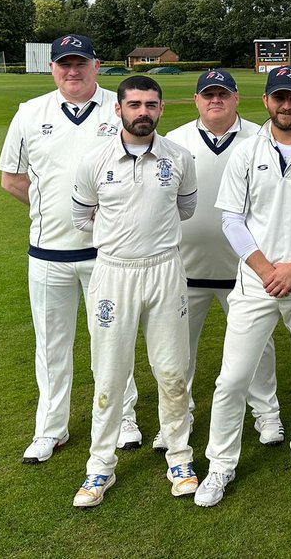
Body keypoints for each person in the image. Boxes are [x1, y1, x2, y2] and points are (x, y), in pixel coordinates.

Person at [194, 66, 291, 507]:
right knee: (232, 379)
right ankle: (220, 464)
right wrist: (266, 270)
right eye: (278, 97)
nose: (286, 105)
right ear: (265, 101)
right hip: (255, 283)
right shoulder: (247, 152)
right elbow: (232, 219)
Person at [0, 34, 140, 465]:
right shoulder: (29, 113)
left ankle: (123, 417)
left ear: (96, 65)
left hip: (107, 255)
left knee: (111, 340)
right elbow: (11, 179)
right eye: (64, 64)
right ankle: (50, 428)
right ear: (52, 68)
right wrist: (53, 209)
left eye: (80, 63)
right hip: (47, 255)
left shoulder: (120, 108)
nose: (72, 71)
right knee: (51, 346)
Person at [69, 75, 199, 508]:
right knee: (109, 373)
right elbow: (82, 217)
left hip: (164, 271)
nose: (143, 112)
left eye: (151, 105)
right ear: (119, 109)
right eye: (135, 104)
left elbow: (185, 208)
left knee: (172, 371)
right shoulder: (94, 161)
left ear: (161, 109)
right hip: (114, 273)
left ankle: (180, 458)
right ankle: (100, 466)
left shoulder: (179, 158)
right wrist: (121, 238)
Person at [162, 69, 283, 452]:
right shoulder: (174, 141)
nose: (216, 100)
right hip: (185, 268)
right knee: (177, 349)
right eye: (208, 94)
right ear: (196, 100)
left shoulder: (262, 138)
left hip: (247, 269)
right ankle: (177, 417)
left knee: (259, 346)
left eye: (223, 94)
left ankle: (266, 412)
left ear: (236, 98)